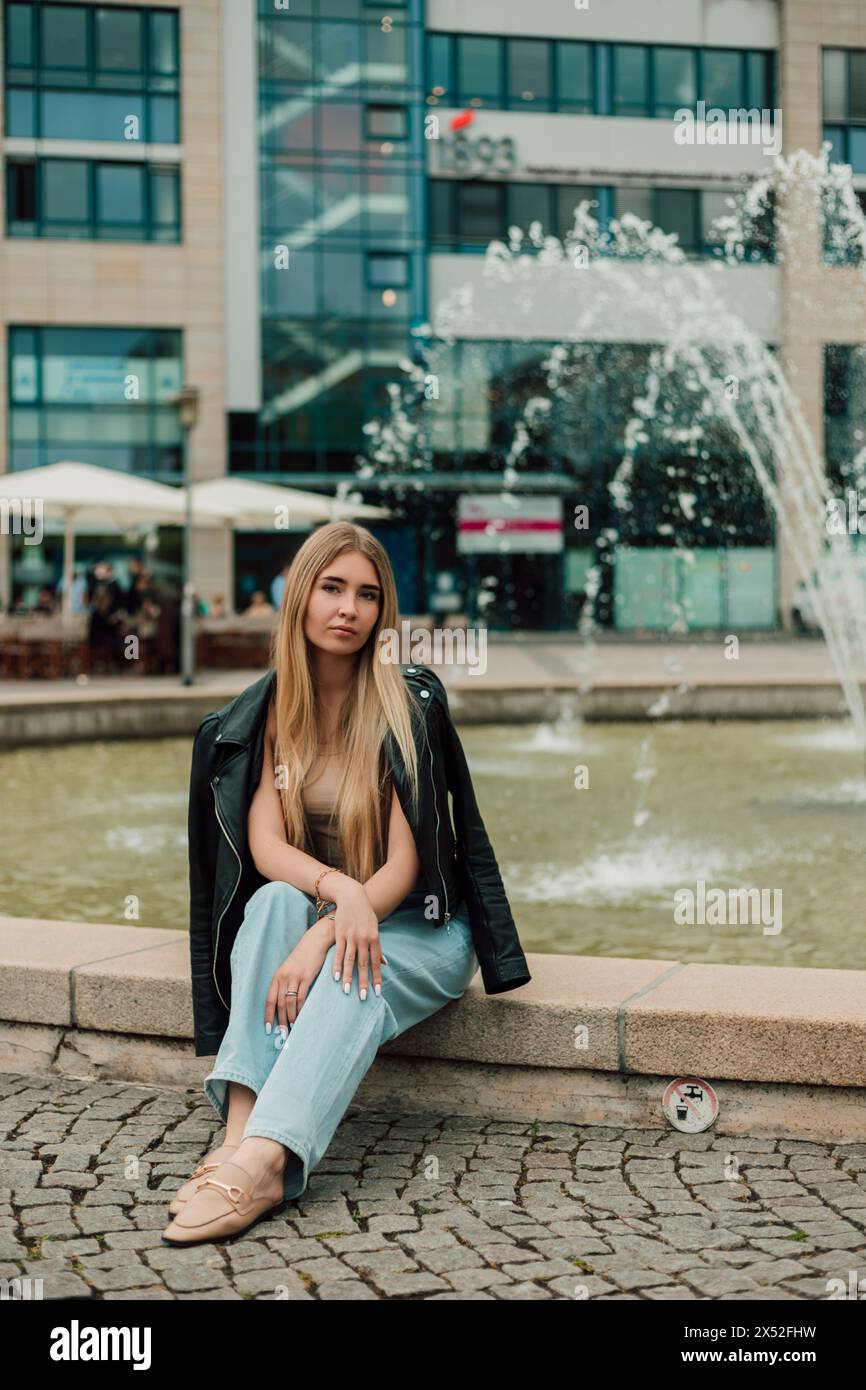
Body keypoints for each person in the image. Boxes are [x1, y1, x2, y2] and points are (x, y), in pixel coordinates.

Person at [164, 521, 531, 1245]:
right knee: (271, 904)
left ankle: (268, 1162)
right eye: (332, 588)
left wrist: (336, 924)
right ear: (301, 597)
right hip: (338, 906)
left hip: (420, 926)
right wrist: (340, 891)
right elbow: (266, 848)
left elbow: (404, 868)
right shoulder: (264, 716)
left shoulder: (407, 706)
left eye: (367, 594)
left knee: (351, 967)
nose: (349, 609)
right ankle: (241, 1129)